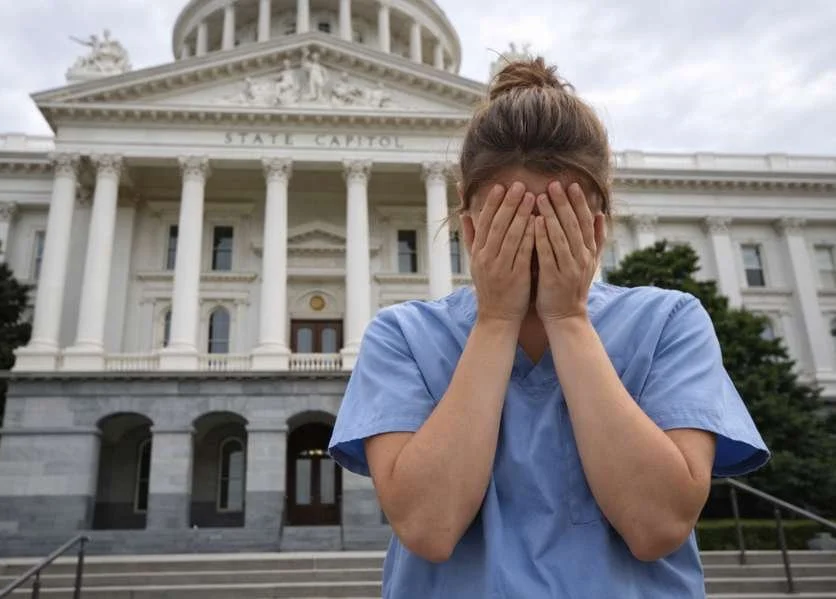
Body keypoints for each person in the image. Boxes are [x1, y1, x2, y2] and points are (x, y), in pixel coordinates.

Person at [328, 57, 770, 598]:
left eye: (558, 223)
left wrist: (568, 318)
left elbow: (658, 525)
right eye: (510, 224)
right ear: (469, 230)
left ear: (597, 229)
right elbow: (428, 527)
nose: (534, 246)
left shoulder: (668, 323)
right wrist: (495, 320)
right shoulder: (403, 336)